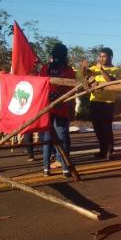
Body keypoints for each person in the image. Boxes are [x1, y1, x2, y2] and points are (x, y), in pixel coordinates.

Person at [42, 43, 76, 177]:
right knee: (62, 137)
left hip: (46, 106)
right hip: (62, 106)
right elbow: (72, 89)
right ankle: (65, 167)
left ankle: (46, 168)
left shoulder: (45, 68)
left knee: (47, 136)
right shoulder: (68, 71)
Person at [82, 47, 119, 160]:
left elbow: (110, 81)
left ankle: (109, 150)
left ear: (110, 57)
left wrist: (101, 69)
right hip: (95, 101)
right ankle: (102, 150)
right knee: (97, 128)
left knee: (106, 127)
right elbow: (85, 75)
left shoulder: (115, 69)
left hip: (108, 103)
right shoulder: (94, 68)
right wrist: (83, 67)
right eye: (100, 56)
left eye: (104, 56)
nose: (101, 58)